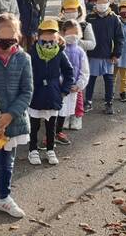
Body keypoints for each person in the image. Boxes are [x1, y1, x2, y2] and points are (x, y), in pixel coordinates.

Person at [0, 14, 33, 231]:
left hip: (14, 122)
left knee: (8, 164)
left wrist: (10, 115)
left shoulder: (24, 59)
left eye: (12, 39)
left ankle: (4, 196)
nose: (7, 44)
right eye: (2, 39)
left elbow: (27, 91)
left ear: (18, 37)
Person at [27, 19, 74, 166]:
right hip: (36, 93)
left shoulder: (59, 53)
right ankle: (32, 149)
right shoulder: (32, 52)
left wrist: (64, 91)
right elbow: (25, 72)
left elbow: (69, 72)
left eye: (51, 40)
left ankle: (50, 149)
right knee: (33, 125)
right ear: (38, 38)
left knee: (51, 125)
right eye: (44, 40)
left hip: (53, 94)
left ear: (57, 38)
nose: (48, 43)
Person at [58, 0, 96, 130]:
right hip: (61, 72)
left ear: (78, 10)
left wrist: (76, 41)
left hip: (78, 67)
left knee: (77, 97)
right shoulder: (58, 24)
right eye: (67, 9)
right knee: (62, 99)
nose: (70, 12)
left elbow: (92, 44)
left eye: (73, 9)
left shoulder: (85, 25)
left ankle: (76, 117)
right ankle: (64, 118)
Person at [84, 0, 125, 115]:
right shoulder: (89, 18)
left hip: (108, 56)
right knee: (90, 80)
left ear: (109, 3)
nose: (102, 5)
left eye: (104, 2)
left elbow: (119, 38)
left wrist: (116, 54)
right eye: (99, 2)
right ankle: (88, 101)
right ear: (95, 3)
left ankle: (108, 103)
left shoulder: (114, 19)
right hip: (92, 55)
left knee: (109, 80)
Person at [55, 19, 89, 145]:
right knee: (56, 111)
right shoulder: (58, 49)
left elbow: (84, 70)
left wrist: (79, 85)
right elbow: (56, 69)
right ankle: (51, 133)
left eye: (76, 33)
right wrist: (60, 84)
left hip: (73, 88)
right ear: (63, 33)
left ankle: (58, 132)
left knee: (66, 110)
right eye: (70, 33)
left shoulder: (80, 51)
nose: (73, 36)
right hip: (59, 88)